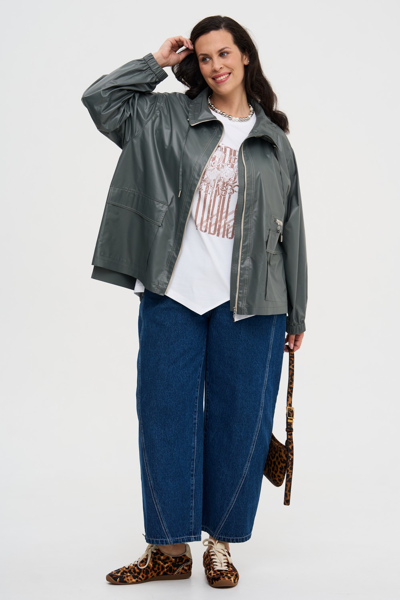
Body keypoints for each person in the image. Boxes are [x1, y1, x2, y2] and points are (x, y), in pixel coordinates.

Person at [81, 15, 308, 589]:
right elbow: (100, 100)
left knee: (241, 422)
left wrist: (298, 312)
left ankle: (220, 545)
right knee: (164, 416)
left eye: (224, 53)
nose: (215, 66)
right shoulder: (163, 117)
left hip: (254, 303)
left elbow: (292, 231)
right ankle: (168, 549)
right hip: (173, 293)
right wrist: (155, 63)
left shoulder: (275, 142)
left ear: (245, 56)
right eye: (204, 58)